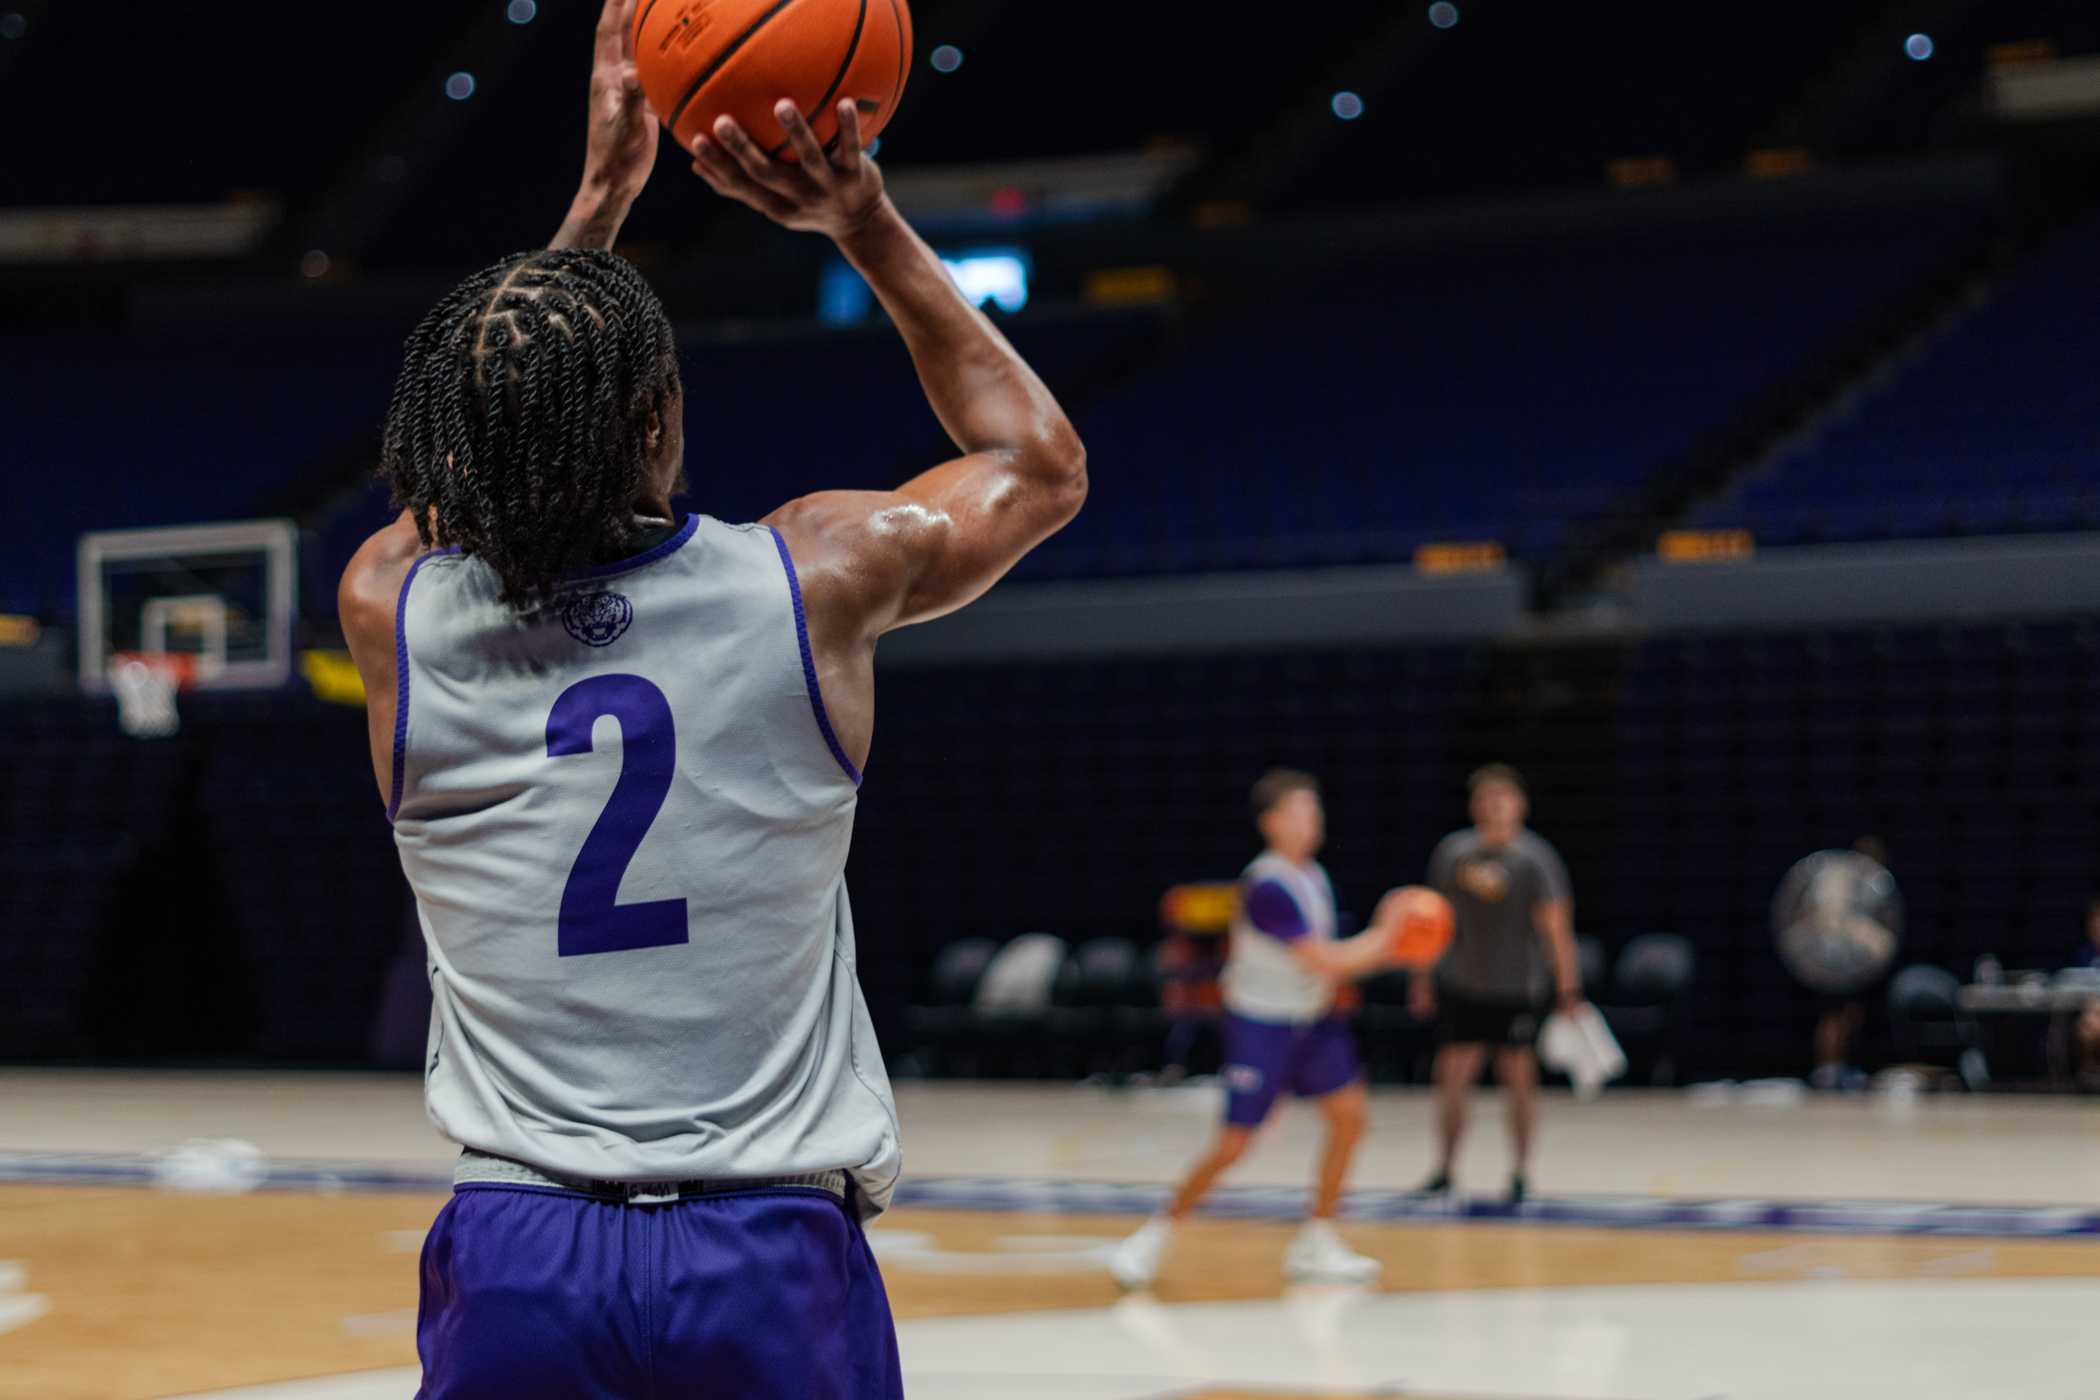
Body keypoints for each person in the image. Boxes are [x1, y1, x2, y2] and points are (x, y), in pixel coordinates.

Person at [335, 4, 1087, 1393]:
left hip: (521, 1253)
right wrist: (858, 218)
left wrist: (599, 200)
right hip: (765, 1252)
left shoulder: (399, 611)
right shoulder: (809, 581)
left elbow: (474, 462)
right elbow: (1036, 466)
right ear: (662, 420)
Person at [1107, 770, 1397, 1289]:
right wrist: (1390, 939)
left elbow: (1325, 969)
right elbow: (1320, 959)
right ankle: (1152, 1235)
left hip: (1311, 1023)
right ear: (1271, 821)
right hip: (1262, 1025)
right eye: (1300, 811)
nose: (1313, 820)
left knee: (1351, 1118)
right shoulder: (1267, 885)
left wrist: (1365, 958)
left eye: (1316, 810)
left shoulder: (1313, 876)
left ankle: (1318, 1239)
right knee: (1235, 1144)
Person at [1412, 764, 1579, 1205]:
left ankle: (1521, 1171)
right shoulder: (1455, 853)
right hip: (1463, 983)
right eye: (1487, 797)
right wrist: (1422, 977)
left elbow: (1555, 927)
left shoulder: (1535, 858)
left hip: (1517, 988)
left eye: (1504, 797)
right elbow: (1430, 923)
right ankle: (1445, 1168)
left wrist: (1568, 988)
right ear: (1474, 805)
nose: (1496, 806)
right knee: (1452, 1078)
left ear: (1520, 804)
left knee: (1519, 1080)